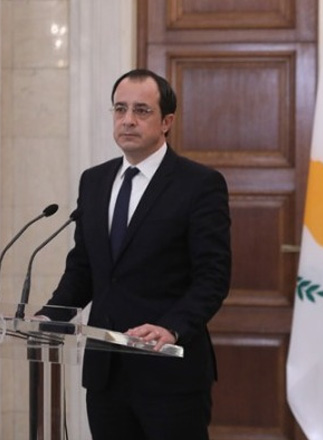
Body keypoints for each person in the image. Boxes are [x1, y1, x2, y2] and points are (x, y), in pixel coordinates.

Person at [42, 68, 231, 440]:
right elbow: (84, 267)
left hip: (168, 372)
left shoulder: (199, 184)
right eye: (120, 109)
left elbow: (213, 276)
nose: (127, 120)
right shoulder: (94, 181)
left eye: (141, 110)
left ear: (166, 122)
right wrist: (50, 316)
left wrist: (171, 327)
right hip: (106, 372)